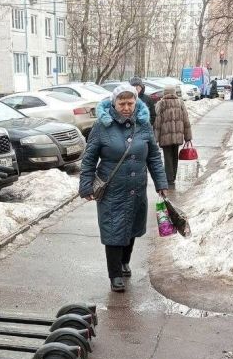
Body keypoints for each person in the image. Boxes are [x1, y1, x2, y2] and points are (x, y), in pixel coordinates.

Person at [79, 82, 168, 293]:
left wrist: (161, 183)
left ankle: (125, 261)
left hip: (137, 188)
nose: (127, 107)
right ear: (114, 102)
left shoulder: (143, 124)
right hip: (112, 190)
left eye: (130, 103)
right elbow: (89, 158)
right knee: (113, 230)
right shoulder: (102, 126)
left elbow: (154, 156)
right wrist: (86, 185)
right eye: (122, 103)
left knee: (132, 228)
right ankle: (115, 275)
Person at [153, 85, 192, 189]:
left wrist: (155, 139)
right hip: (178, 136)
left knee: (167, 157)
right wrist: (188, 136)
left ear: (164, 93)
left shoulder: (161, 103)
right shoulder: (180, 102)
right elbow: (185, 120)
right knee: (175, 156)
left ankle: (169, 179)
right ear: (174, 92)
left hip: (165, 136)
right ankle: (172, 176)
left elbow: (157, 122)